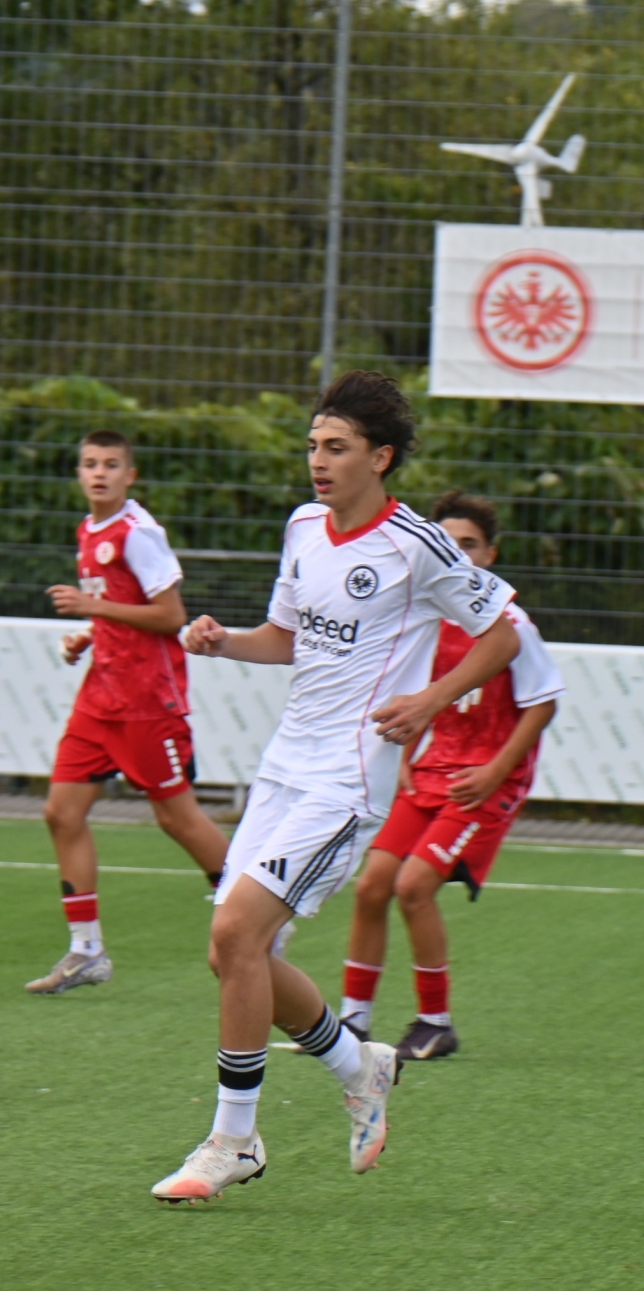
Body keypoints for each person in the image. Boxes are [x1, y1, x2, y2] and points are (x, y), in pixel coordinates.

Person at [153, 372, 520, 1204]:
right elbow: (286, 637)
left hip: (347, 781)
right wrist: (223, 640)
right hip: (284, 767)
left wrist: (429, 700)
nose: (318, 461)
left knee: (239, 932)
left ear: (379, 458)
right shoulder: (303, 526)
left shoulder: (416, 544)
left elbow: (501, 635)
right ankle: (359, 1065)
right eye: (314, 445)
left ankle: (233, 1139)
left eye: (337, 447)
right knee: (231, 950)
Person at [341, 491, 562, 1060]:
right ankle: (353, 1020)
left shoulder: (512, 624)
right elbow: (419, 698)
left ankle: (435, 1022)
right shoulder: (428, 619)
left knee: (413, 887)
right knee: (371, 885)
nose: (460, 555)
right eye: (449, 544)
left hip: (484, 783)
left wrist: (495, 771)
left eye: (471, 545)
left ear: (490, 555)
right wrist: (408, 757)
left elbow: (543, 704)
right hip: (434, 772)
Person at [26, 430, 231, 994]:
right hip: (101, 696)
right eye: (90, 463)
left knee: (177, 819)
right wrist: (90, 634)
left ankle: (261, 913)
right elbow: (122, 610)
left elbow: (170, 615)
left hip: (146, 700)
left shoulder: (139, 533)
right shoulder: (88, 530)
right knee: (61, 812)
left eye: (111, 464)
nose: (100, 473)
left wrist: (92, 606)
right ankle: (86, 950)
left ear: (130, 475)